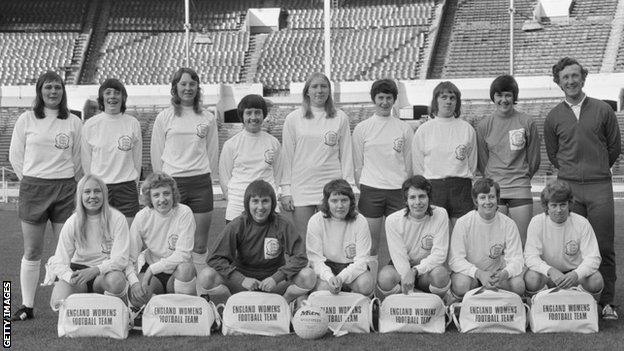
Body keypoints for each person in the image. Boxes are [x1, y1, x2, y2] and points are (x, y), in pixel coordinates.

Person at [544, 57, 621, 319]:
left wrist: (596, 169)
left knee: (603, 245)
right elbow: (554, 154)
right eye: (565, 77)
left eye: (575, 76)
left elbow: (614, 148)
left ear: (583, 78)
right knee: (571, 245)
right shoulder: (553, 116)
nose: (570, 81)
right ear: (558, 82)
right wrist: (571, 176)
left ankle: (607, 301)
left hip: (599, 187)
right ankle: (575, 298)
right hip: (568, 190)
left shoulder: (603, 110)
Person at [9, 71, 83, 321]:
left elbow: (78, 159)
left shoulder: (73, 121)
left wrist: (66, 180)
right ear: (40, 91)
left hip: (65, 188)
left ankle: (71, 303)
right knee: (32, 250)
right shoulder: (26, 119)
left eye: (58, 87)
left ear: (63, 92)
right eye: (48, 87)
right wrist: (32, 180)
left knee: (69, 251)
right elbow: (15, 156)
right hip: (34, 188)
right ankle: (27, 306)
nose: (53, 92)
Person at [197, 180, 316, 305]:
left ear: (273, 203)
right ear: (247, 203)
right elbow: (215, 259)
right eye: (255, 201)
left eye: (265, 201)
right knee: (206, 276)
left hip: (274, 284)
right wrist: (240, 279)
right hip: (244, 285)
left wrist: (276, 278)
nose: (260, 207)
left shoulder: (282, 224)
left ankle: (284, 304)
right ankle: (230, 307)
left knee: (308, 276)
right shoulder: (237, 225)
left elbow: (301, 257)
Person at [151, 67, 219, 274]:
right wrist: (161, 185)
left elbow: (212, 151)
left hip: (200, 184)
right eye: (183, 84)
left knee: (199, 245)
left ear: (198, 87)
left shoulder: (208, 117)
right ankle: (173, 285)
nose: (188, 88)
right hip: (173, 185)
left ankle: (200, 291)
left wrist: (211, 178)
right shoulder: (164, 117)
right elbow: (157, 152)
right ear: (175, 88)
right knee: (172, 242)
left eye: (192, 84)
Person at [279, 72, 356, 239]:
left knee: (332, 238)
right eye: (314, 86)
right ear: (307, 91)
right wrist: (285, 190)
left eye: (324, 86)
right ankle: (307, 266)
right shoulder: (293, 118)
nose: (319, 90)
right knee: (304, 238)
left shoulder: (340, 117)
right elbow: (286, 156)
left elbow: (347, 155)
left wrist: (349, 185)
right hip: (301, 187)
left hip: (331, 188)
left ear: (329, 90)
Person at [352, 79, 413, 280]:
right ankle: (370, 293)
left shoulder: (404, 129)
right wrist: (364, 186)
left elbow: (409, 163)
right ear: (374, 99)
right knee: (370, 245)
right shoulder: (362, 128)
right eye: (381, 98)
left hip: (398, 191)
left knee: (401, 243)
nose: (385, 102)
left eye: (389, 98)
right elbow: (358, 163)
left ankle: (399, 288)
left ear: (394, 100)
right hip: (372, 190)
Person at [45, 175, 130, 310]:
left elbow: (121, 259)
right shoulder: (73, 221)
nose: (92, 196)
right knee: (58, 300)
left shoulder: (118, 219)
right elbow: (59, 259)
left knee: (116, 281)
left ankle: (122, 312)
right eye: (87, 192)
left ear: (104, 194)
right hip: (79, 274)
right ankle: (83, 305)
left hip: (104, 274)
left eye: (97, 191)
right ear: (80, 196)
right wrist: (69, 276)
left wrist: (96, 270)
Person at [476, 75, 540, 246]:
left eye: (508, 95)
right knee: (497, 242)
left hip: (520, 187)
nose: (503, 100)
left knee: (522, 241)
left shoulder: (526, 122)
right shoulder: (484, 125)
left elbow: (534, 158)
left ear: (514, 97)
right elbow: (482, 161)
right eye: (499, 95)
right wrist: (493, 180)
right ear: (493, 97)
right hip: (495, 190)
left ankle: (521, 272)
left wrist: (523, 176)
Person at [126, 172, 197, 313]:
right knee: (136, 296)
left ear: (173, 194)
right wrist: (134, 283)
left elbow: (183, 254)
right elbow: (130, 256)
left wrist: (151, 270)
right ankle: (160, 304)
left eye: (166, 193)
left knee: (186, 269)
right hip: (153, 272)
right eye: (156, 195)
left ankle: (182, 309)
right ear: (149, 198)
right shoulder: (142, 217)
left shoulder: (184, 212)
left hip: (176, 271)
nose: (162, 199)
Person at [411, 81, 476, 230]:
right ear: (436, 101)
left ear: (457, 102)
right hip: (434, 187)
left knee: (463, 234)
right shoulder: (424, 130)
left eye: (452, 98)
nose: (448, 101)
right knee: (436, 236)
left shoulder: (467, 129)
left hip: (461, 187)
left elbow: (472, 162)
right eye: (444, 97)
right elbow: (418, 164)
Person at [448, 178, 525, 302]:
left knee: (518, 285)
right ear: (475, 201)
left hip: (497, 275)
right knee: (462, 285)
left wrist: (504, 274)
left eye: (491, 197)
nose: (487, 202)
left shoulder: (508, 223)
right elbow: (455, 260)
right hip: (470, 274)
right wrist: (479, 273)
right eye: (483, 197)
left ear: (497, 199)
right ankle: (458, 308)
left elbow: (517, 259)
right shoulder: (463, 222)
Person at [524, 181, 603, 301]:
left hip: (574, 276)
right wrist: (550, 271)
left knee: (596, 280)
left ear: (569, 204)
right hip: (549, 275)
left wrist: (577, 274)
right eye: (554, 205)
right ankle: (537, 307)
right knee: (531, 278)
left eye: (563, 205)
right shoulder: (537, 222)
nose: (559, 210)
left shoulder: (582, 223)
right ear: (546, 206)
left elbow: (594, 258)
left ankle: (586, 307)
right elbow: (530, 257)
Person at [377, 176, 450, 299]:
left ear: (429, 198)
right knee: (385, 278)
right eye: (412, 197)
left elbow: (440, 254)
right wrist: (408, 277)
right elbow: (399, 256)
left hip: (427, 270)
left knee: (441, 274)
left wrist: (415, 271)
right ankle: (402, 304)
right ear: (406, 201)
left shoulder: (440, 214)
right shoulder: (393, 220)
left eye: (422, 196)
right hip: (402, 269)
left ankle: (438, 306)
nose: (417, 202)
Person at [81, 78, 142, 224]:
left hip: (126, 188)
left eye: (117, 92)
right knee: (101, 237)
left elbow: (137, 159)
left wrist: (133, 183)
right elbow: (86, 161)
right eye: (108, 93)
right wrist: (93, 186)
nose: (112, 96)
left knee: (127, 237)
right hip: (100, 188)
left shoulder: (132, 123)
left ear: (123, 97)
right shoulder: (90, 125)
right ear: (102, 98)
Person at [219, 94, 282, 222]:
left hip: (267, 205)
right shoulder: (231, 144)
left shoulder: (273, 143)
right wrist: (231, 198)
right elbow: (224, 176)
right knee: (237, 242)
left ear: (263, 115)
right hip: (238, 205)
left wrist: (273, 196)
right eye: (249, 113)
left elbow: (278, 173)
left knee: (269, 242)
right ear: (242, 116)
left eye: (257, 113)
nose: (253, 117)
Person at [306, 179, 374, 296]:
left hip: (351, 265)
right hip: (327, 265)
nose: (340, 206)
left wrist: (341, 278)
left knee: (366, 284)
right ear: (326, 202)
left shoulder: (360, 220)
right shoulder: (316, 220)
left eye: (344, 200)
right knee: (323, 288)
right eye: (334, 201)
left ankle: (363, 306)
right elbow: (315, 259)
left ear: (351, 201)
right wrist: (329, 277)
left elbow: (362, 260)